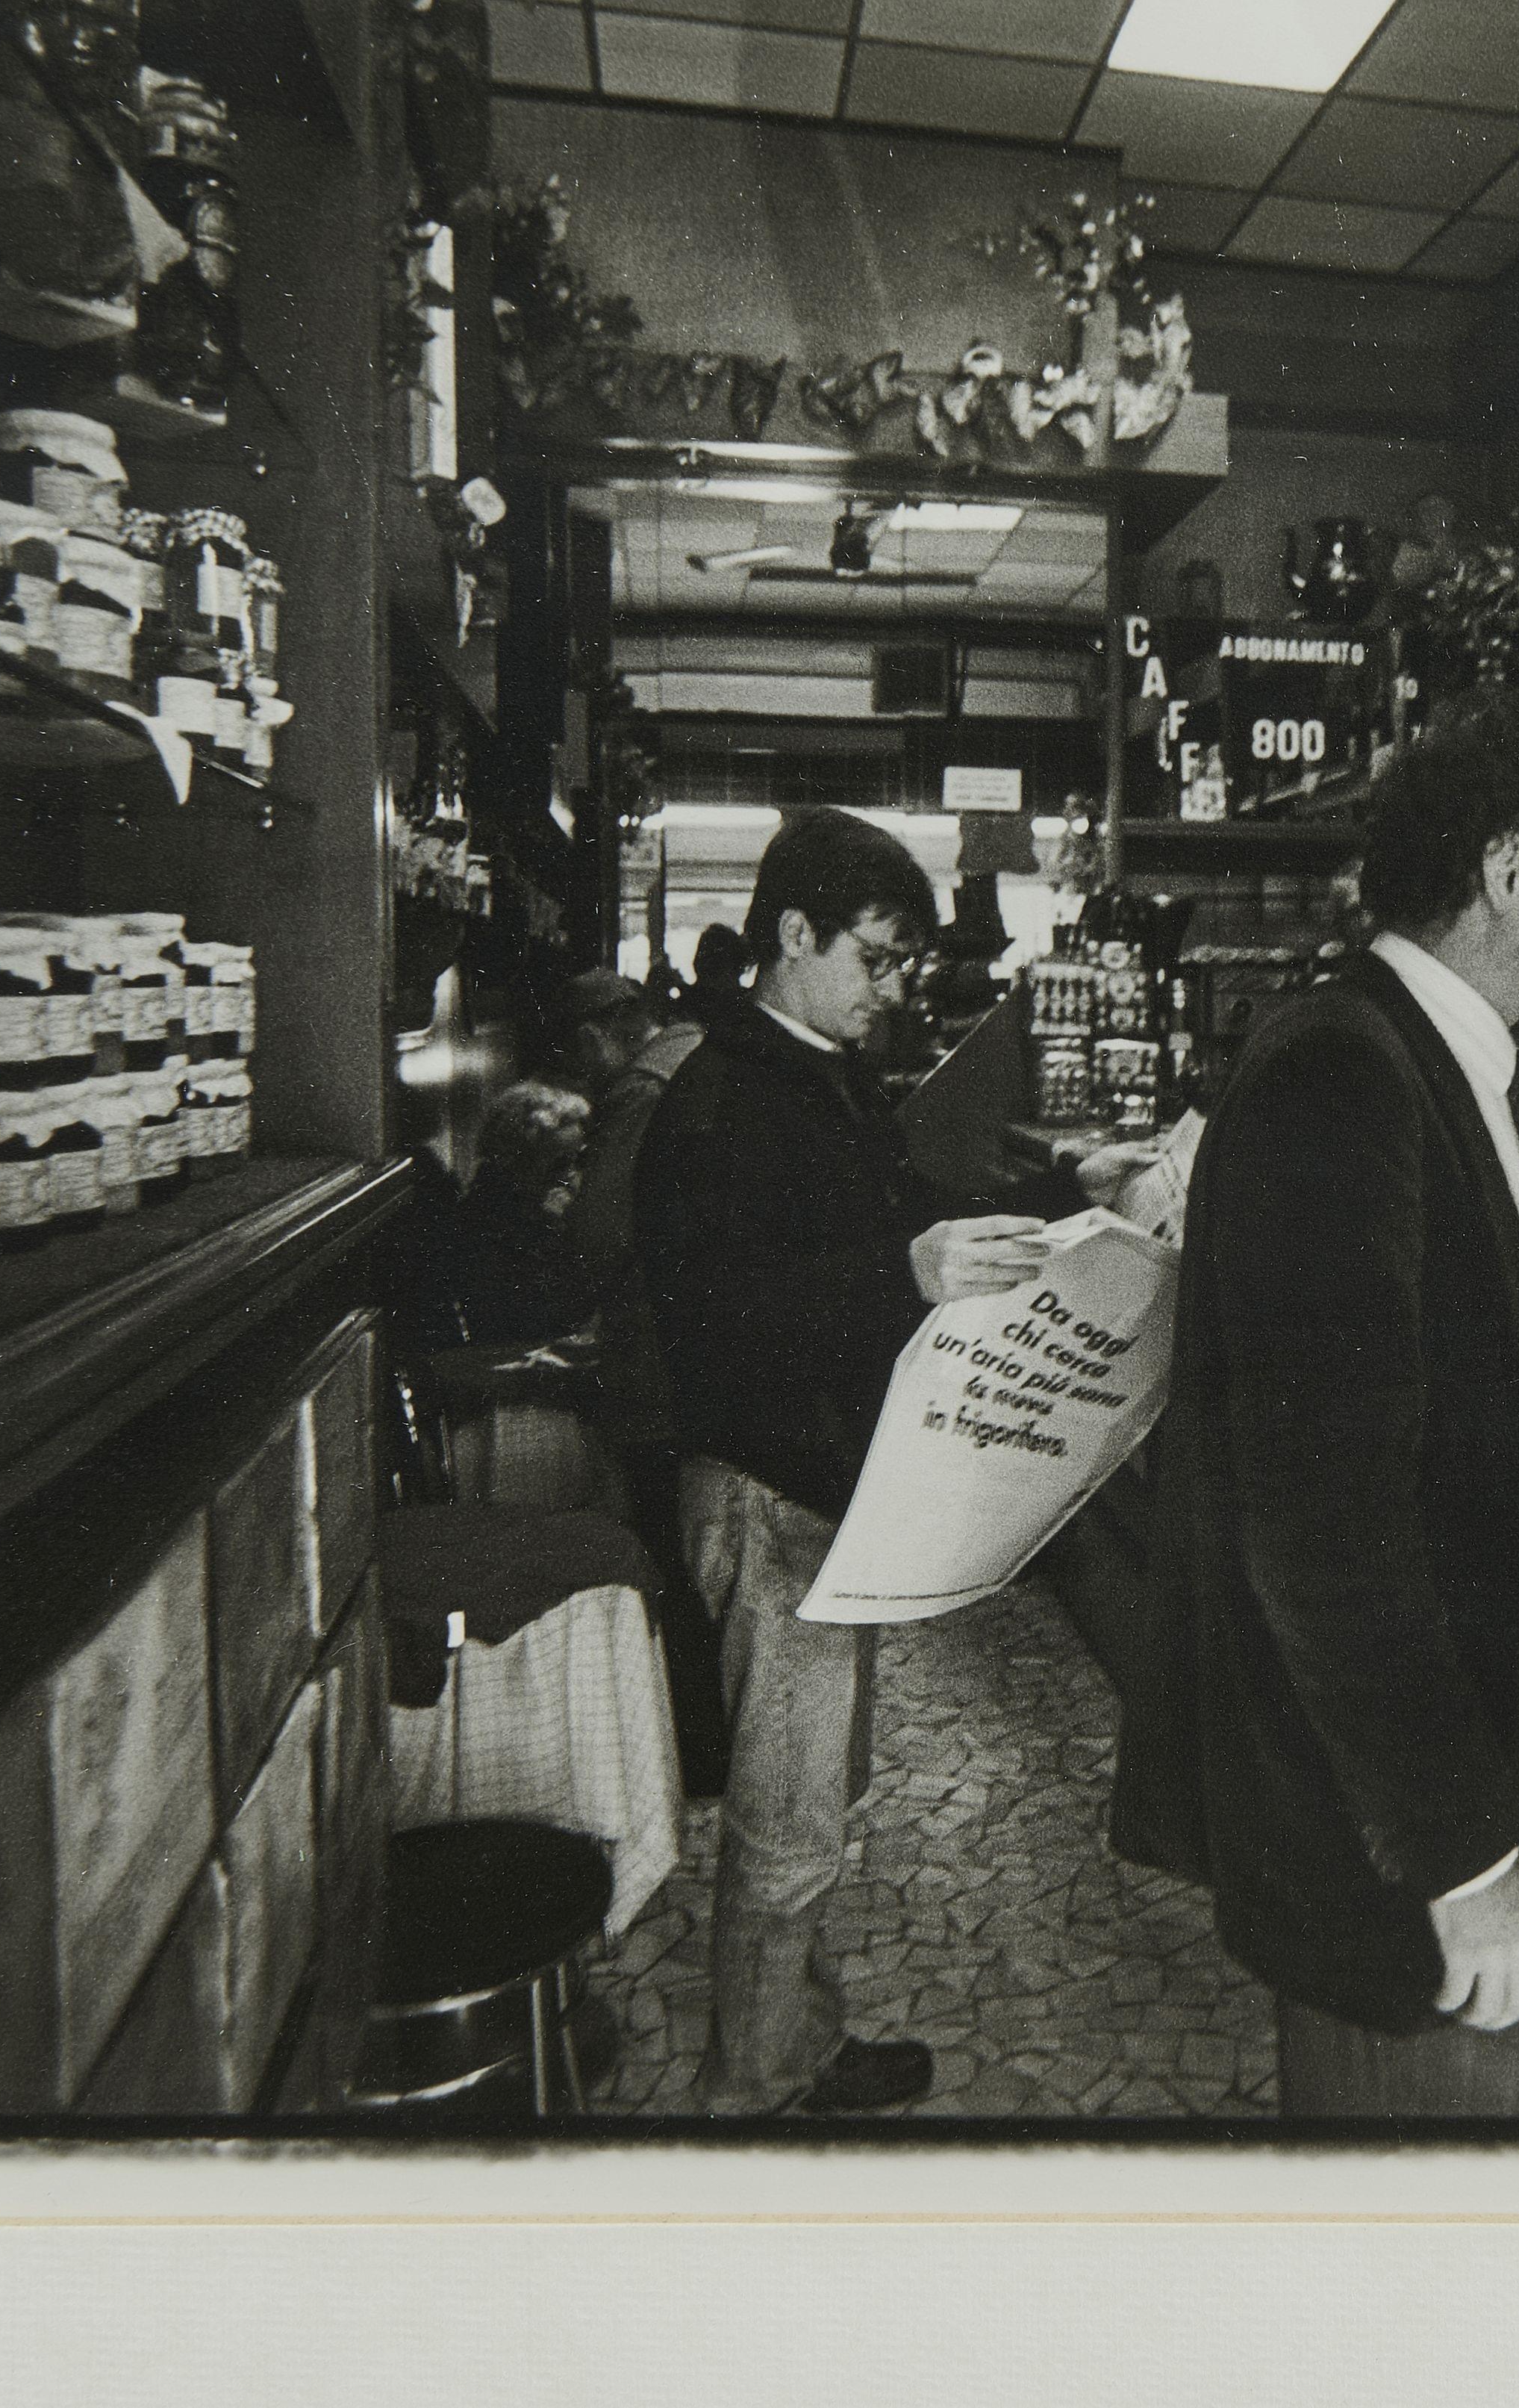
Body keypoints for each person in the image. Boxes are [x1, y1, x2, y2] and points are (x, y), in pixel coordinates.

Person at [1113, 689, 1519, 2119]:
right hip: (1406, 1825)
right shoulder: (1342, 1071)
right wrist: (1462, 1855)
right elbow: (1321, 1519)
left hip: (1497, 1743)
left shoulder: (1444, 1058)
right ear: (1506, 870)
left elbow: (1408, 1367)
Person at [628, 809, 1056, 2115]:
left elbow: (888, 1223)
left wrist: (1032, 1215)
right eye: (874, 959)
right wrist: (901, 1272)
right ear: (794, 934)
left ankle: (798, 2038)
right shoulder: (720, 1097)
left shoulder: (819, 1076)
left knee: (815, 1791)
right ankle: (751, 2086)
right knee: (789, 1818)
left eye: (905, 965)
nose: (891, 991)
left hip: (819, 1486)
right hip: (764, 1488)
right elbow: (717, 1318)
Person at [555, 970, 727, 1793]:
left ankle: (695, 1751)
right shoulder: (705, 1056)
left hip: (655, 1359)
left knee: (668, 1552)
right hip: (712, 1354)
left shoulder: (642, 1089)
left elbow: (599, 1234)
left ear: (597, 1036)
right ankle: (714, 1737)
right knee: (704, 1553)